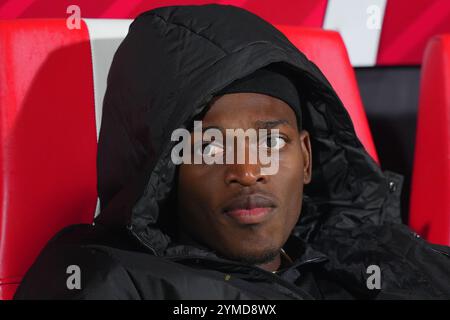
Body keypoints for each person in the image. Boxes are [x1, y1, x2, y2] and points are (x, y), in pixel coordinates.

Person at [15, 4, 450, 300]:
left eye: (271, 141)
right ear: (165, 170)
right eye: (209, 146)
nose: (247, 170)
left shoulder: (378, 257)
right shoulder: (105, 279)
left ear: (307, 159)